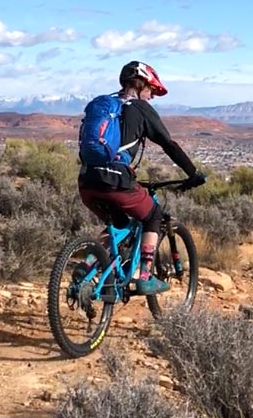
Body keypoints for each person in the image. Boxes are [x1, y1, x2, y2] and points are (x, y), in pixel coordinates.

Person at [78, 60, 205, 296]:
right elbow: (169, 144)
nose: (152, 96)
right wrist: (193, 173)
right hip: (116, 180)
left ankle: (85, 267)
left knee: (118, 225)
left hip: (87, 180)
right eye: (151, 90)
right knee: (153, 216)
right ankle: (145, 276)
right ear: (141, 84)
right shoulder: (139, 108)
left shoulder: (106, 105)